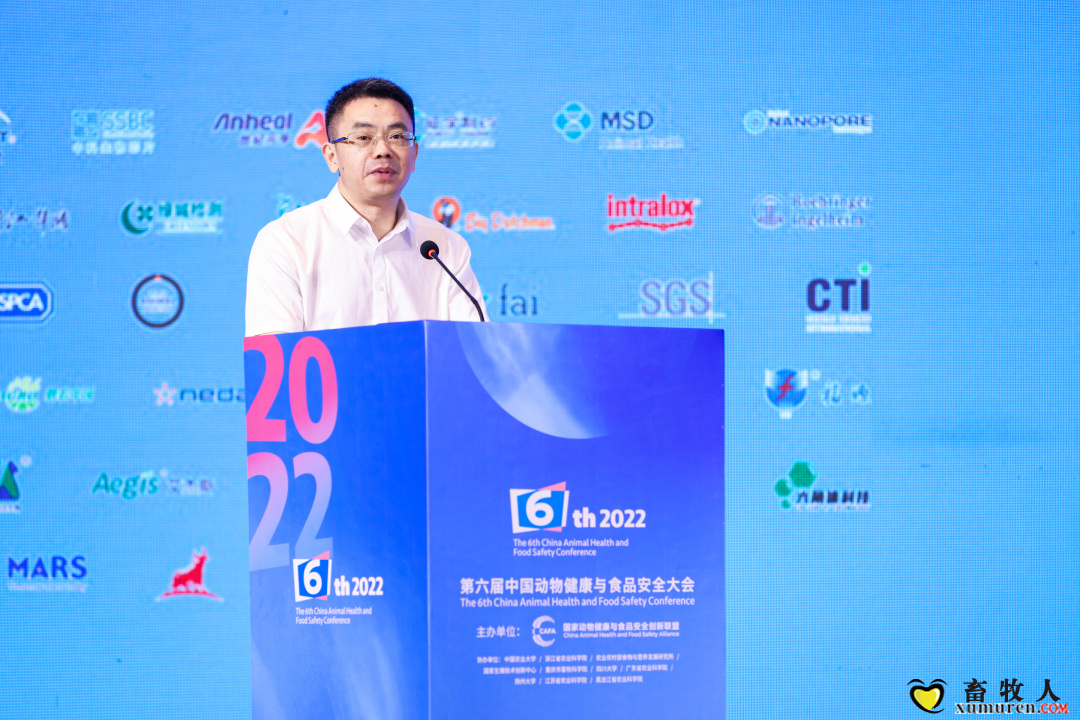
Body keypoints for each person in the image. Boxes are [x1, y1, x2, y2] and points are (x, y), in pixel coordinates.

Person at [245, 77, 484, 336]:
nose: (383, 150)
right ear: (332, 156)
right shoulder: (286, 242)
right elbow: (277, 357)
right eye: (363, 137)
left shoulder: (446, 248)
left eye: (397, 136)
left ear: (414, 154)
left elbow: (472, 352)